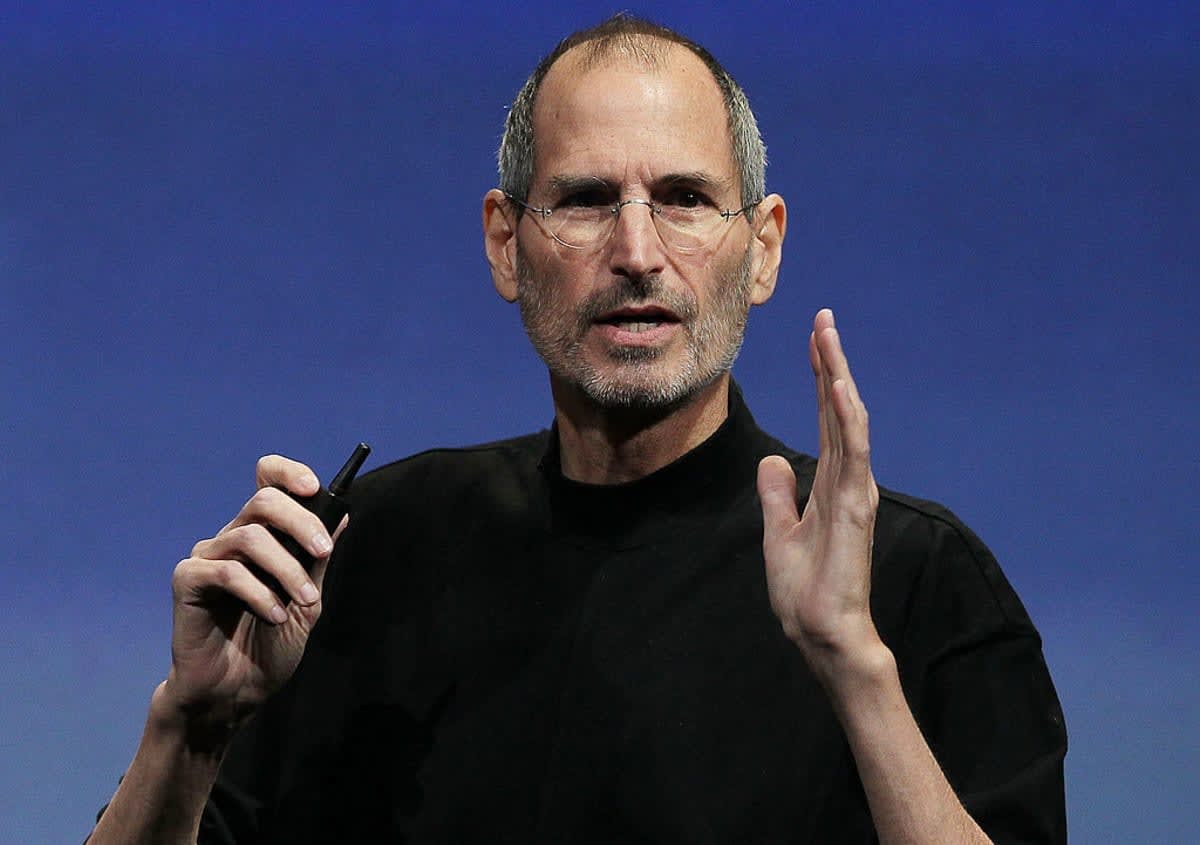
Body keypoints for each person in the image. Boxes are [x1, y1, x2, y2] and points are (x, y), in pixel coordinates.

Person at [89, 15, 1066, 844]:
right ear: (506, 243)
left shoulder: (914, 581)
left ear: (762, 248)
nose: (637, 252)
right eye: (587, 200)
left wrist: (855, 663)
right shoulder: (359, 558)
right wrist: (191, 725)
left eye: (684, 199)